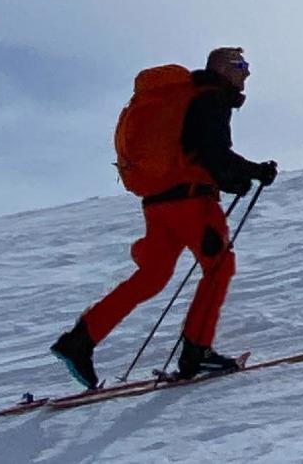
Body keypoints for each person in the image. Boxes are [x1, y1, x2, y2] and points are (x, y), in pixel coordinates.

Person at [50, 47, 279, 387]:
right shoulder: (211, 96)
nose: (247, 73)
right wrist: (253, 172)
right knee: (219, 266)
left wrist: (235, 178)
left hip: (158, 203)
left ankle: (79, 341)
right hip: (190, 202)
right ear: (221, 68)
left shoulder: (185, 98)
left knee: (152, 277)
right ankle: (196, 353)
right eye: (241, 65)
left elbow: (196, 150)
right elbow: (211, 151)